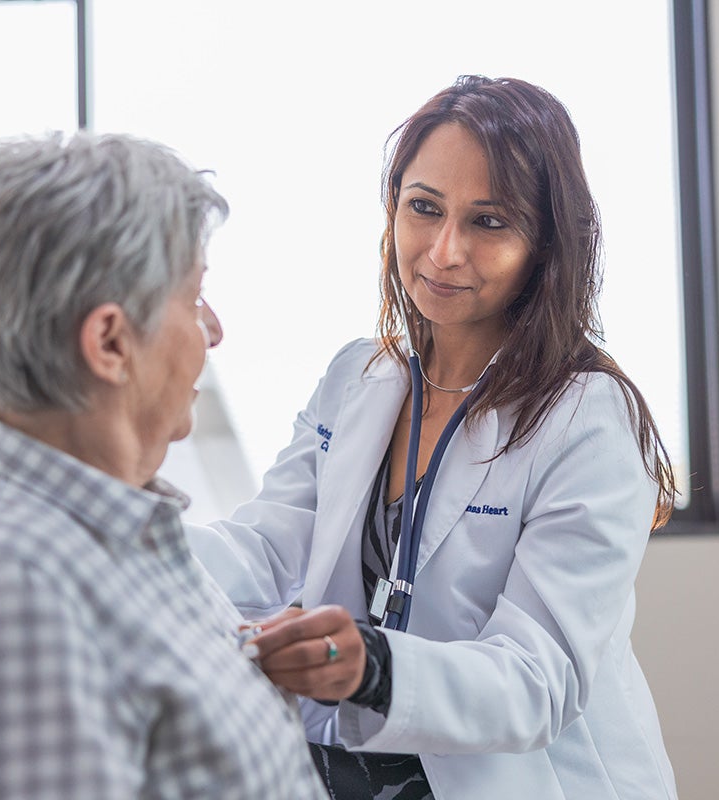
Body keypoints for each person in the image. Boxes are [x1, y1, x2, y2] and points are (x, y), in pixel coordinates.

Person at [186, 75, 679, 799]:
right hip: (344, 771)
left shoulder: (587, 419)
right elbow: (265, 548)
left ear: (544, 242)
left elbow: (536, 680)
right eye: (424, 208)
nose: (444, 251)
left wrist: (375, 667)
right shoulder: (360, 376)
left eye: (488, 222)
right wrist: (126, 543)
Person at [0, 131, 328, 799]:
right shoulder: (4, 585)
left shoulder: (105, 524)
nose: (214, 329)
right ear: (110, 342)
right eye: (194, 298)